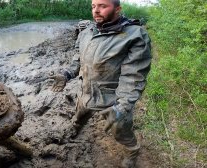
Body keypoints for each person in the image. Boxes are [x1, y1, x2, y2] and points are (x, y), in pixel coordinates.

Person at [50, 0, 151, 167]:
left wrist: (122, 107)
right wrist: (67, 74)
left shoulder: (134, 36)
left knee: (121, 131)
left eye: (103, 6)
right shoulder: (87, 31)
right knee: (80, 115)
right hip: (86, 91)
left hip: (114, 100)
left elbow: (133, 77)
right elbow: (78, 58)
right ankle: (76, 128)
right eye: (93, 6)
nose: (96, 11)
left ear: (117, 9)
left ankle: (132, 150)